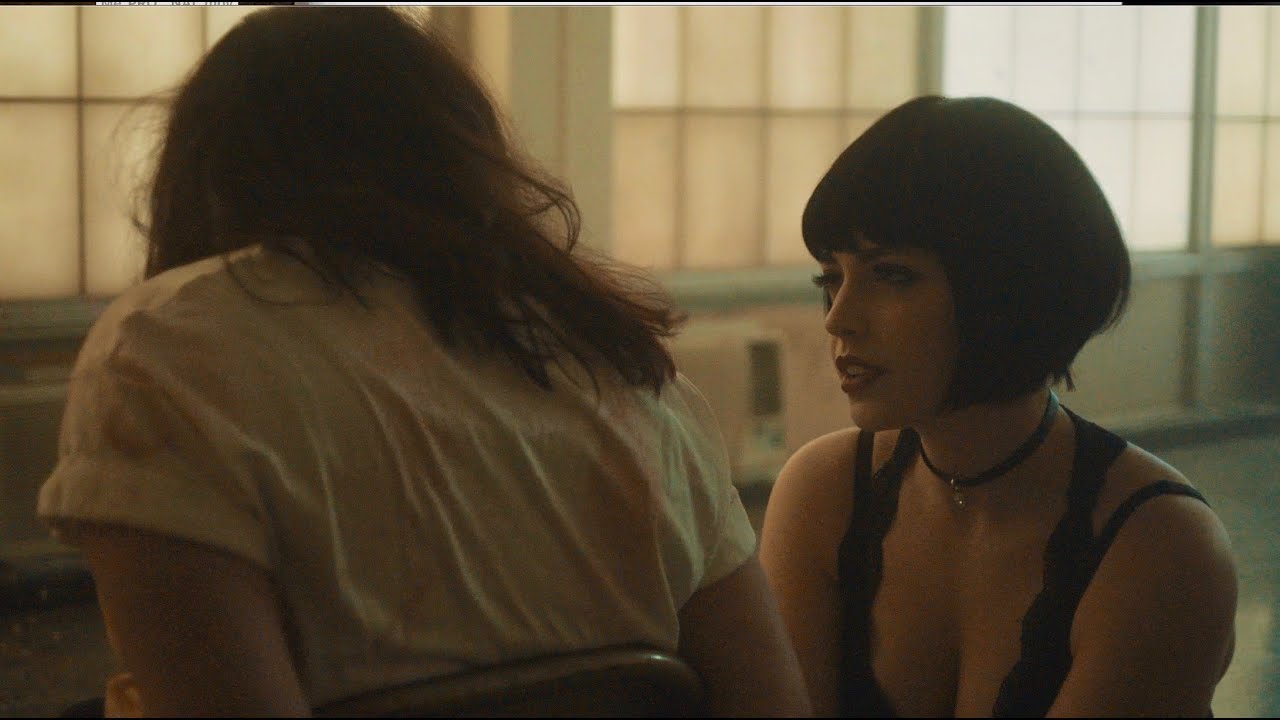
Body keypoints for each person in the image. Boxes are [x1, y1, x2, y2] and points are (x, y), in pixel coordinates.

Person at [37, 7, 810, 717]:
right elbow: (770, 702)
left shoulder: (169, 346)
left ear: (204, 171)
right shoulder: (618, 368)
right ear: (466, 155)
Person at [759, 95, 1237, 718]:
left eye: (892, 275)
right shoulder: (826, 493)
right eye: (831, 279)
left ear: (1005, 287)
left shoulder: (1159, 543)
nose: (838, 318)